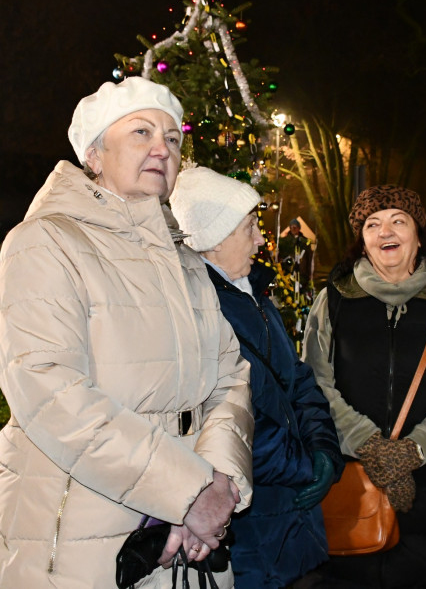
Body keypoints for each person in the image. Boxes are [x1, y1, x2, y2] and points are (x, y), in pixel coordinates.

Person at [0, 77, 254, 588]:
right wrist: (188, 492)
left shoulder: (185, 259)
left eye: (173, 138)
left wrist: (218, 482)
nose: (162, 148)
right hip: (79, 546)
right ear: (94, 155)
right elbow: (50, 391)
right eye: (141, 132)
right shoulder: (45, 242)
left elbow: (230, 376)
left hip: (183, 546)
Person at [301, 185, 426, 588]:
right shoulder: (332, 300)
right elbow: (314, 384)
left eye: (398, 221)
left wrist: (414, 451)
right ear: (363, 242)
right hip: (350, 492)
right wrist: (369, 445)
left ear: (418, 234)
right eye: (373, 224)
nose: (386, 231)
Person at [170, 167, 343, 588]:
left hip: (293, 518)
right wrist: (306, 466)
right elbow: (228, 417)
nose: (261, 240)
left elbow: (298, 380)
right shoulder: (197, 311)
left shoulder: (255, 295)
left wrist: (324, 450)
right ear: (213, 237)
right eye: (249, 227)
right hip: (248, 526)